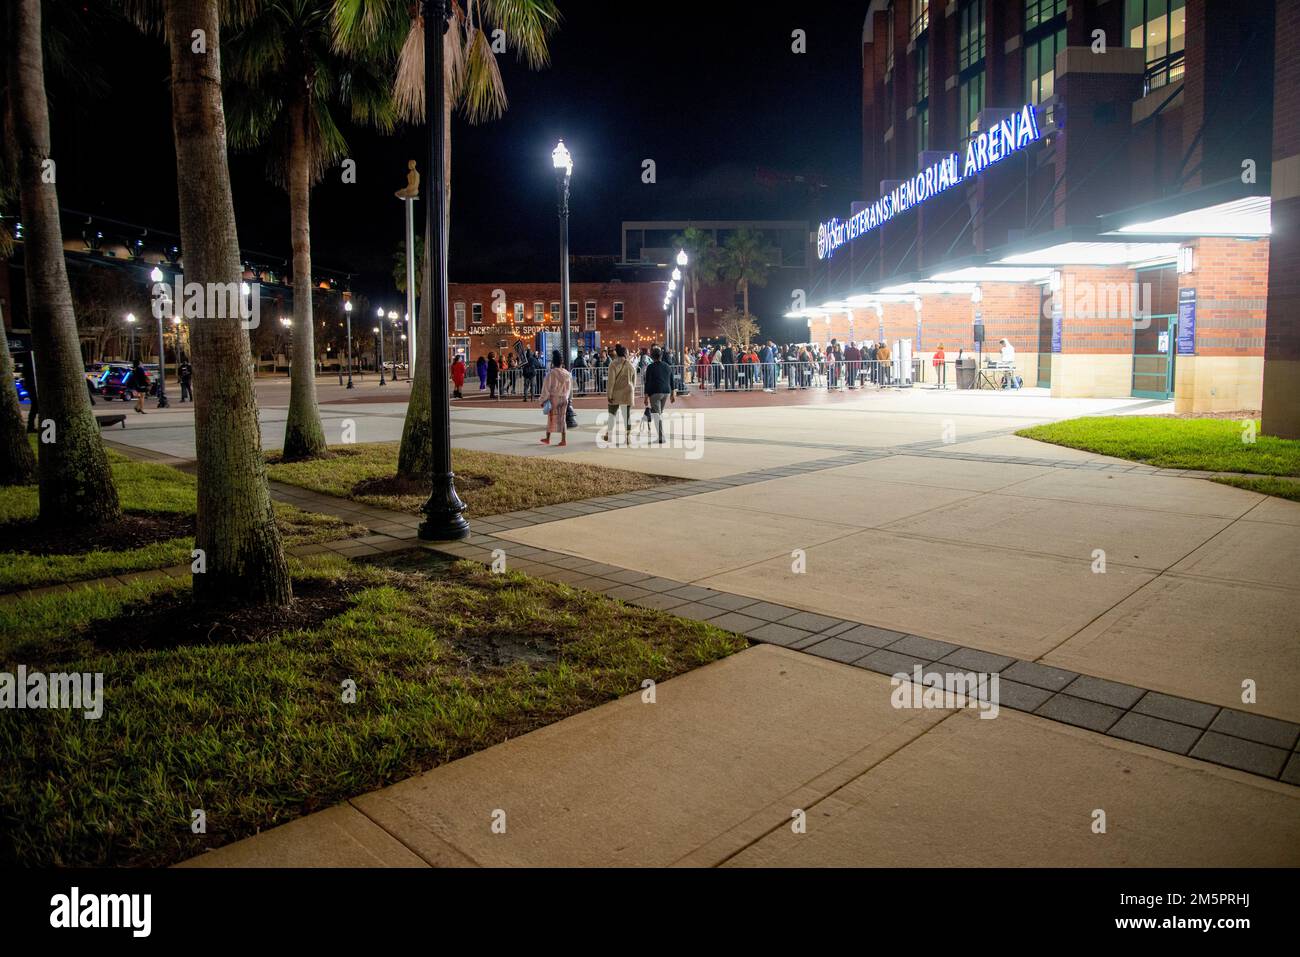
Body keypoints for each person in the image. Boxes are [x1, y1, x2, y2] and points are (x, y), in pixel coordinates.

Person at [603, 343, 635, 446]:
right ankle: (628, 438)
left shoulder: (613, 364)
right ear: (625, 353)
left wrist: (609, 395)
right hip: (627, 393)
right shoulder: (630, 365)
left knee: (612, 415)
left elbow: (611, 381)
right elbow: (634, 380)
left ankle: (608, 433)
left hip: (616, 393)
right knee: (627, 416)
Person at [643, 346, 675, 444]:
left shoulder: (650, 367)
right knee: (659, 413)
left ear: (652, 357)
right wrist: (673, 394)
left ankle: (661, 437)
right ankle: (651, 415)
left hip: (655, 392)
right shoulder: (667, 366)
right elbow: (672, 380)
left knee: (657, 415)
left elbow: (647, 382)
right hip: (666, 392)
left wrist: (646, 396)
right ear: (661, 356)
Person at [539, 349, 572, 446]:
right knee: (562, 418)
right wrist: (567, 397)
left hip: (554, 398)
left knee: (551, 419)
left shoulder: (551, 374)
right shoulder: (567, 374)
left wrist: (543, 400)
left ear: (553, 362)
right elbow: (569, 388)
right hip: (564, 398)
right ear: (562, 362)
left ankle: (548, 438)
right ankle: (563, 439)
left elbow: (546, 388)